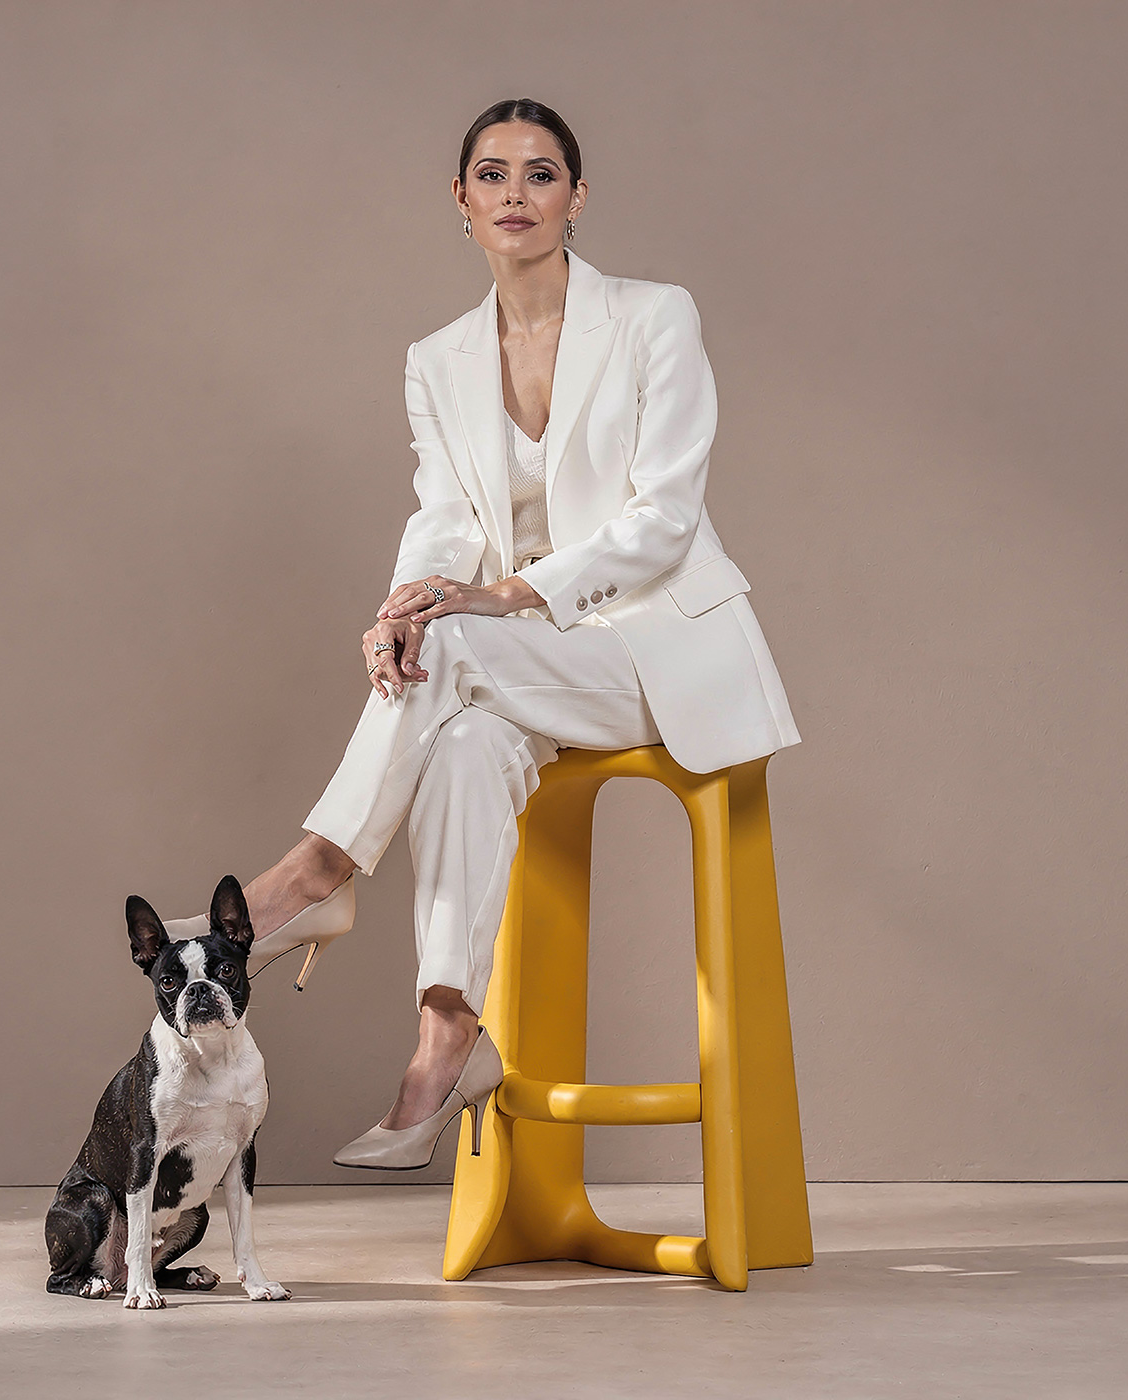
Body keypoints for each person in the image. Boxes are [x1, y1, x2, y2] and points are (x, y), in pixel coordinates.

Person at [172, 97, 800, 1169]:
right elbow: (447, 521)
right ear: (459, 201)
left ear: (577, 198)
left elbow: (664, 517)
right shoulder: (437, 358)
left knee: (455, 648)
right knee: (457, 739)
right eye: (494, 174)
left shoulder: (655, 317)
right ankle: (448, 1030)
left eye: (542, 173)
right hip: (510, 670)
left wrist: (505, 598)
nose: (517, 193)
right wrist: (399, 611)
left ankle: (312, 875)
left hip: (655, 658)